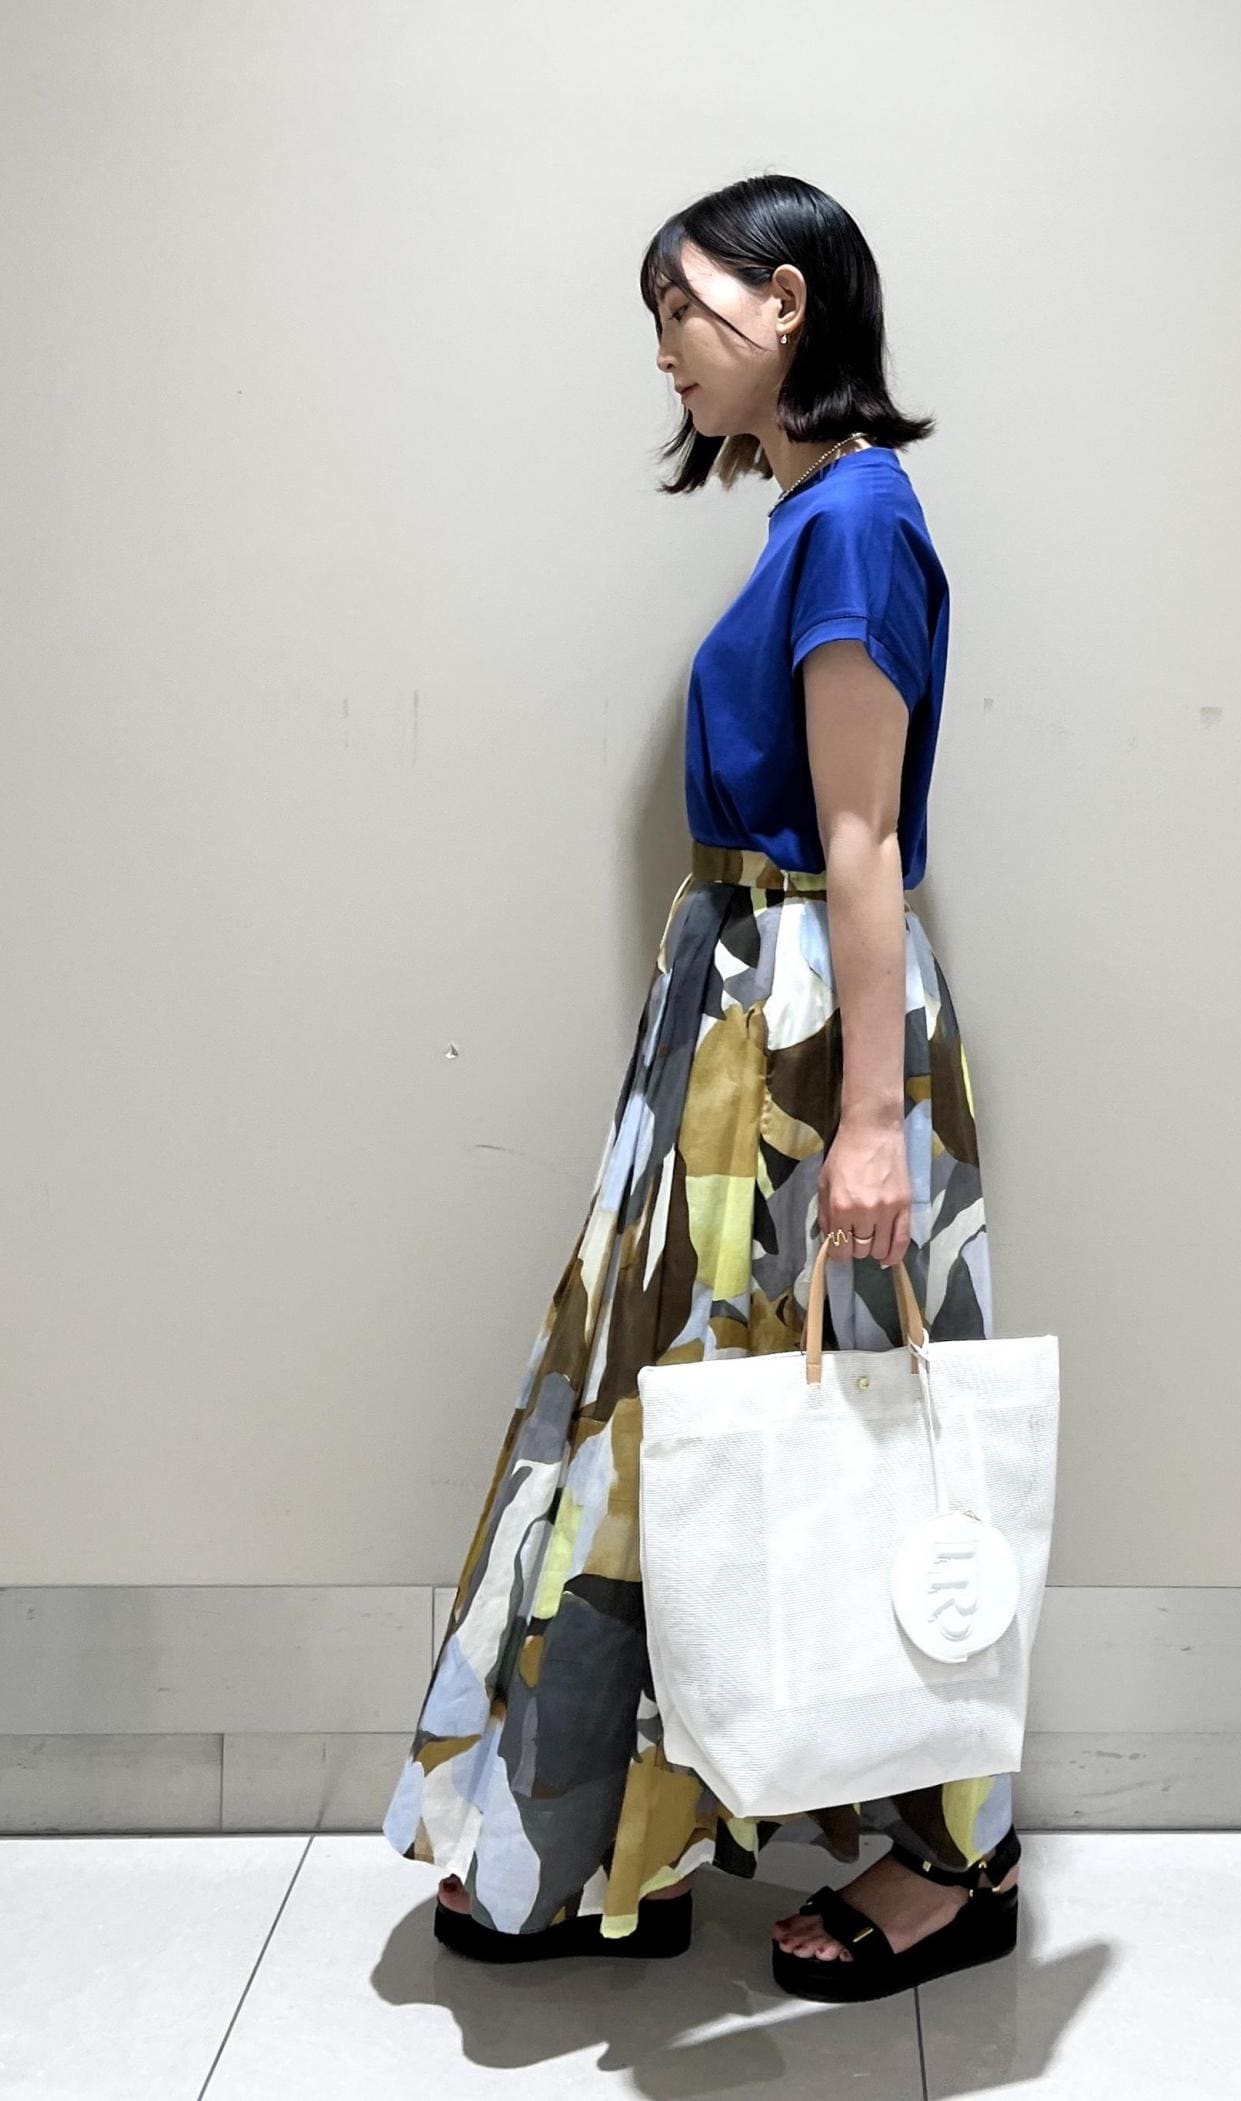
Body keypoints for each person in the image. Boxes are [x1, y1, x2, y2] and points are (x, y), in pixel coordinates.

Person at [381, 172, 1021, 2004]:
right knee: (685, 1430)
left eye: (684, 304)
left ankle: (953, 1865)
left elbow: (859, 838)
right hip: (741, 1021)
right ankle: (627, 1838)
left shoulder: (858, 523)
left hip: (807, 1040)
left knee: (861, 1435)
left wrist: (875, 1121)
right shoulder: (814, 517)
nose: (665, 346)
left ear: (788, 302)